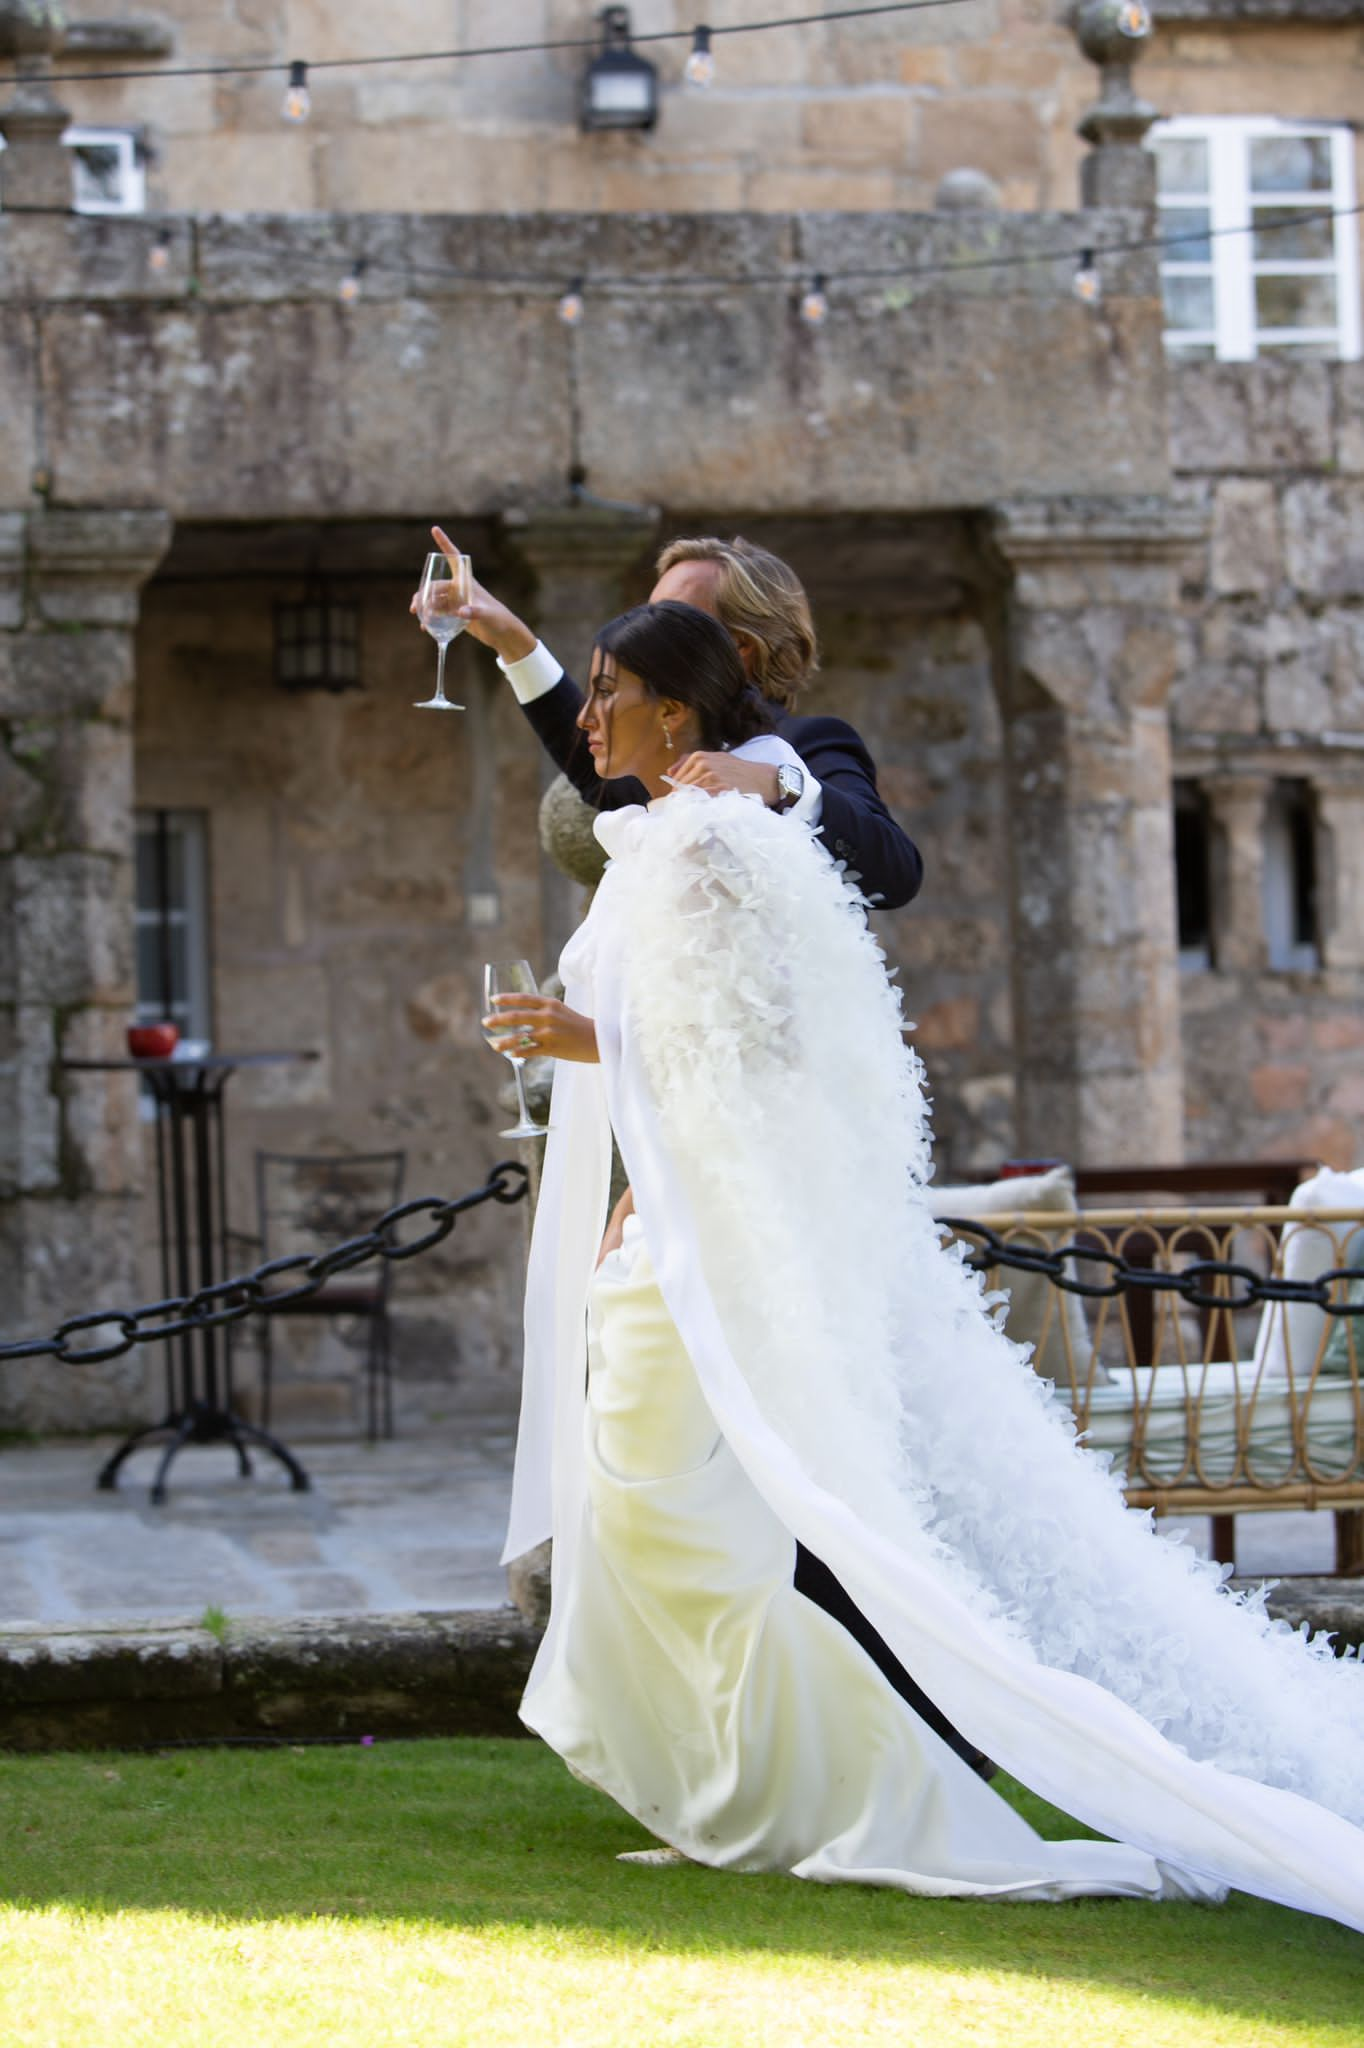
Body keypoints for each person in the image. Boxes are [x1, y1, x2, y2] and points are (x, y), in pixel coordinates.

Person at [485, 597, 1364, 1929]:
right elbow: (697, 1039)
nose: (589, 717)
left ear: (676, 710)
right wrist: (596, 1061)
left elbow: (758, 1056)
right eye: (586, 690)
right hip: (669, 1232)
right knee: (655, 1531)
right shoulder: (674, 825)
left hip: (711, 1250)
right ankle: (751, 1792)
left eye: (609, 692)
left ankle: (847, 1796)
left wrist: (588, 1047)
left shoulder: (726, 835)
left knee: (673, 1527)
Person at [421, 526, 923, 910]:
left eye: (675, 617)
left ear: (739, 649)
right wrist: (511, 639)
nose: (647, 629)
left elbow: (896, 873)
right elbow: (591, 759)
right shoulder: (661, 756)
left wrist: (777, 783)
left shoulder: (808, 742)